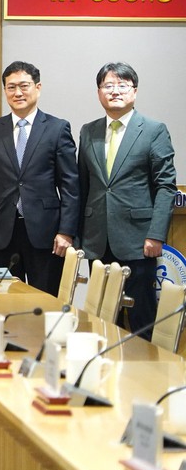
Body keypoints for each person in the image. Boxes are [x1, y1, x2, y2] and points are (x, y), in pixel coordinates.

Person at [78, 62, 177, 336]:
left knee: (141, 317)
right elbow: (83, 186)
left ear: (134, 91)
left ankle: (145, 364)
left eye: (122, 85)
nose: (115, 91)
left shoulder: (154, 130)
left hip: (138, 241)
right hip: (97, 240)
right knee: (103, 318)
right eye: (108, 85)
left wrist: (156, 234)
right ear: (99, 92)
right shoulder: (88, 131)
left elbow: (166, 187)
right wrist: (79, 236)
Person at [0, 61, 79, 295]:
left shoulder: (57, 128)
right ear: (5, 91)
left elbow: (70, 186)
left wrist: (66, 231)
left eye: (24, 86)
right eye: (11, 87)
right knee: (4, 302)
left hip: (46, 234)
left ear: (38, 88)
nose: (17, 93)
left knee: (45, 302)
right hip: (1, 232)